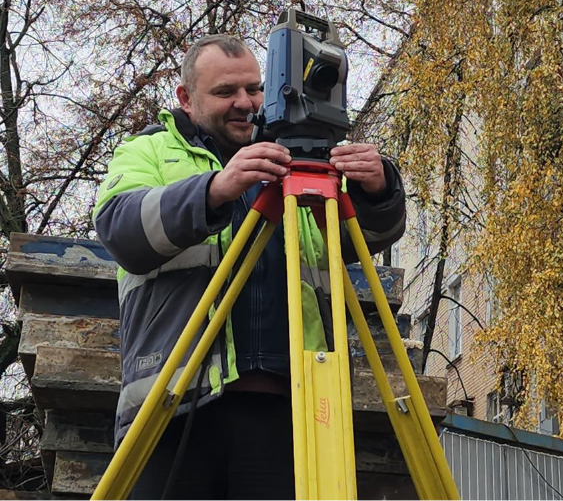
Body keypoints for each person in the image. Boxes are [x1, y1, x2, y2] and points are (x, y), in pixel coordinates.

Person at [93, 34, 406, 500]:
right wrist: (214, 189)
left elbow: (358, 243)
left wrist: (377, 191)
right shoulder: (150, 152)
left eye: (254, 89)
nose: (245, 103)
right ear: (185, 97)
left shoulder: (296, 162)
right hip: (175, 405)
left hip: (292, 406)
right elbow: (121, 230)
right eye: (225, 92)